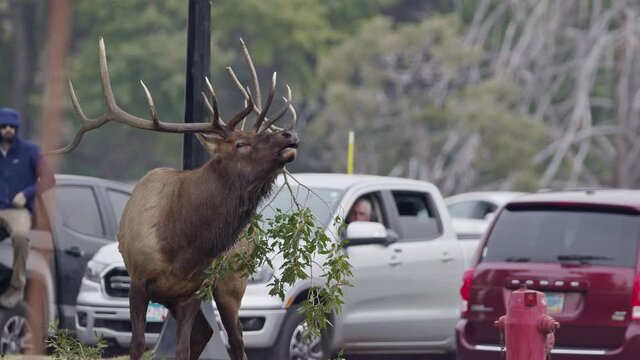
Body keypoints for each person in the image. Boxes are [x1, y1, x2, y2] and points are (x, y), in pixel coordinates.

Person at [0, 108, 55, 308]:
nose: (8, 130)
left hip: (17, 211)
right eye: (4, 126)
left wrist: (26, 194)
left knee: (22, 235)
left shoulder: (30, 151)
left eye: (12, 127)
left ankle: (16, 288)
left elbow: (49, 178)